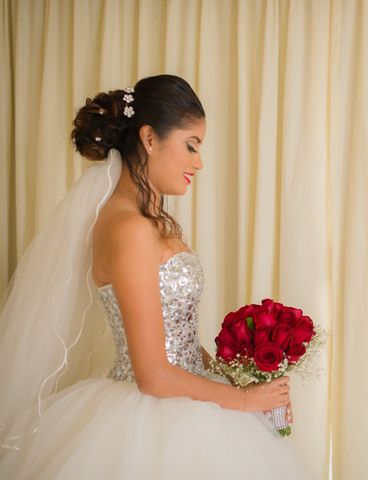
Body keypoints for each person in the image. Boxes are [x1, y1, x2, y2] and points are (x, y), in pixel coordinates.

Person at [0, 74, 314, 478]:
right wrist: (245, 402)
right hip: (149, 418)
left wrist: (239, 380)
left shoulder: (152, 222)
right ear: (150, 139)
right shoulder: (128, 228)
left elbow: (177, 339)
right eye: (191, 145)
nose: (198, 162)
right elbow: (152, 374)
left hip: (188, 400)